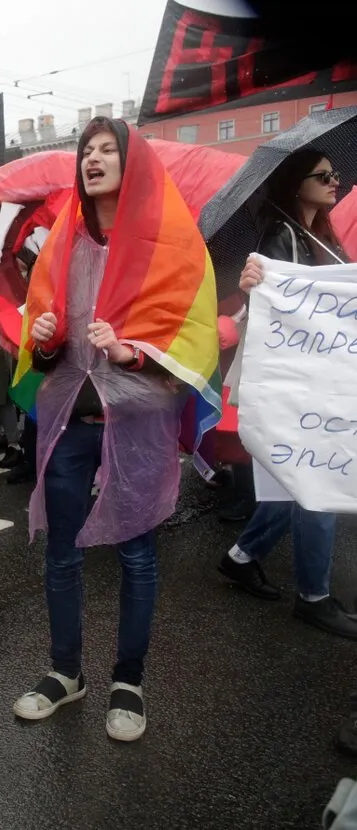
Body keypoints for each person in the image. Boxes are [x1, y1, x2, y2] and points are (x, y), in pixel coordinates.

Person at [11, 117, 218, 743]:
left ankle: (129, 681)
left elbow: (193, 336)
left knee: (136, 553)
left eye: (107, 150)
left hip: (138, 421)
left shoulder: (172, 244)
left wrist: (134, 353)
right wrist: (44, 338)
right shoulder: (63, 242)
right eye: (86, 151)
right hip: (72, 421)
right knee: (62, 553)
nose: (93, 159)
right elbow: (41, 340)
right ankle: (65, 672)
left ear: (136, 164)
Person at [219, 150, 353, 638]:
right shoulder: (281, 237)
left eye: (335, 174)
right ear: (296, 184)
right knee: (315, 484)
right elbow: (273, 310)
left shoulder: (322, 238)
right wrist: (254, 286)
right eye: (323, 176)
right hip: (294, 386)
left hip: (317, 381)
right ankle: (314, 597)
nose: (334, 181)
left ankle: (240, 556)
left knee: (290, 482)